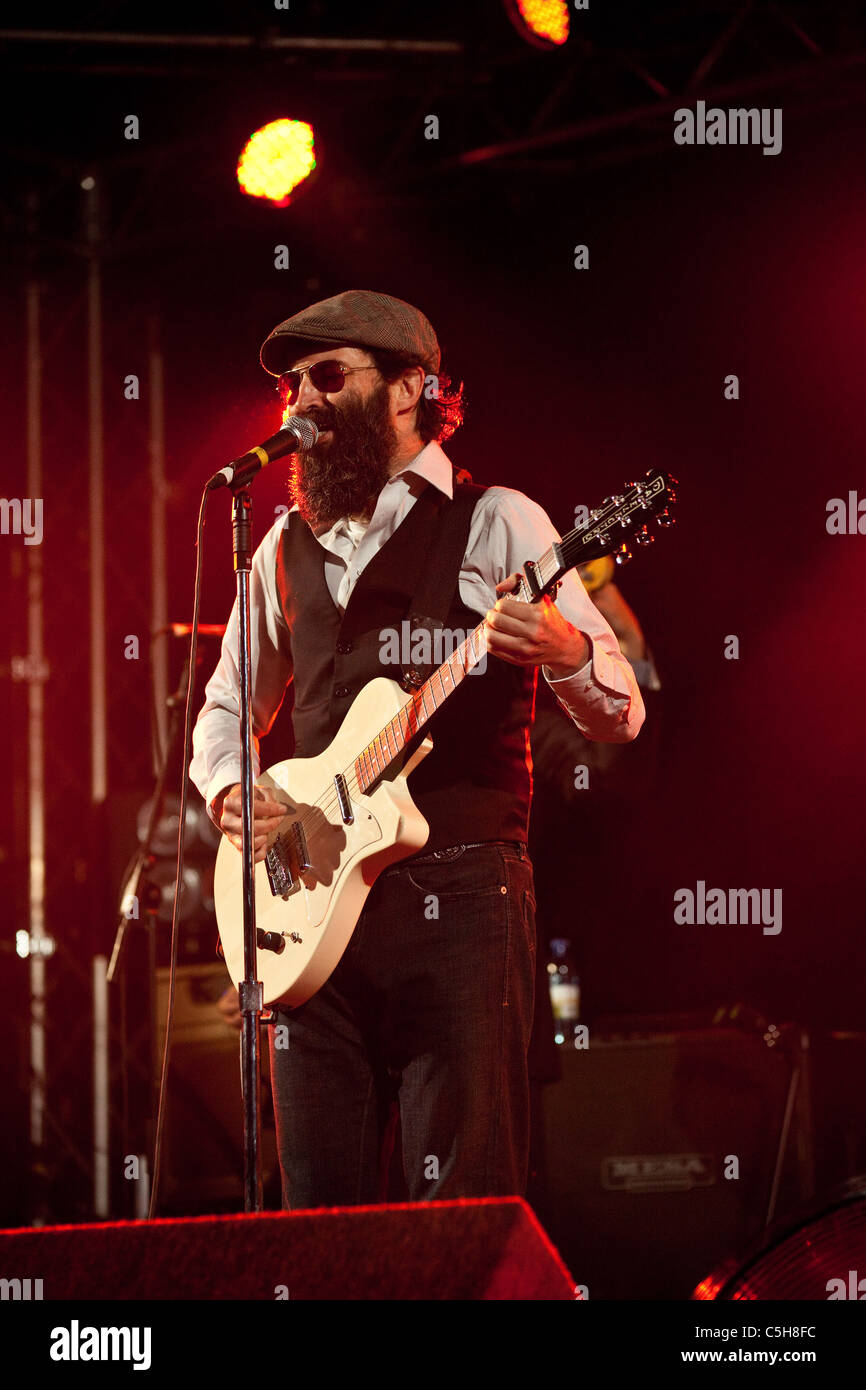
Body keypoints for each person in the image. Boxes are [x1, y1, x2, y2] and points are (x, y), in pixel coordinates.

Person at [190, 288, 646, 1209]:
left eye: (327, 377)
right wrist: (232, 789)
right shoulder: (281, 543)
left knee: (463, 1204)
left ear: (409, 390)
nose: (301, 404)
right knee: (319, 1224)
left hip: (464, 892)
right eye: (289, 387)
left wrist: (563, 650)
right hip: (309, 914)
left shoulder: (499, 518)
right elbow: (226, 706)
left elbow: (621, 712)